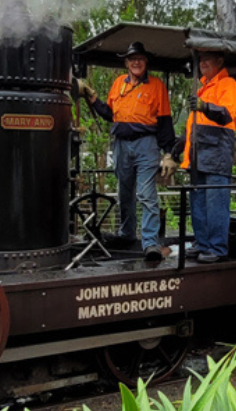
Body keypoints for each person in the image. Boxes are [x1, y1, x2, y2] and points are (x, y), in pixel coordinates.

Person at [75, 42, 178, 261]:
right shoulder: (119, 84)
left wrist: (169, 153)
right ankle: (127, 234)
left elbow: (165, 122)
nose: (136, 62)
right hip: (121, 144)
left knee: (146, 193)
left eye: (140, 58)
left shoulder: (156, 86)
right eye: (132, 59)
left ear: (145, 62)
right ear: (126, 63)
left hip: (146, 143)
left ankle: (150, 243)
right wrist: (90, 95)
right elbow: (109, 114)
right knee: (124, 192)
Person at [174, 50, 236, 264]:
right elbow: (191, 127)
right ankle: (202, 243)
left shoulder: (228, 85)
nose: (203, 63)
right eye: (200, 59)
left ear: (220, 61)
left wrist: (204, 106)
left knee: (215, 203)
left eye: (207, 59)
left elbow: (226, 114)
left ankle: (217, 247)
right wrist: (174, 152)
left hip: (216, 154)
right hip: (198, 155)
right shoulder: (203, 88)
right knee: (198, 203)